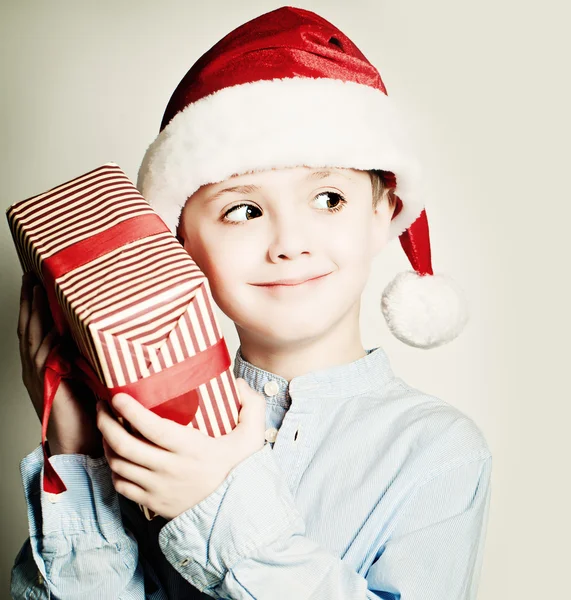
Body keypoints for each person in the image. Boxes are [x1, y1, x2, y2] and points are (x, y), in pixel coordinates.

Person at [11, 6, 492, 599]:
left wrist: (215, 504)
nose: (290, 243)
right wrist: (77, 458)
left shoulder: (438, 449)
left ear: (384, 215)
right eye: (244, 210)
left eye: (330, 199)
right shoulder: (146, 429)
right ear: (181, 242)